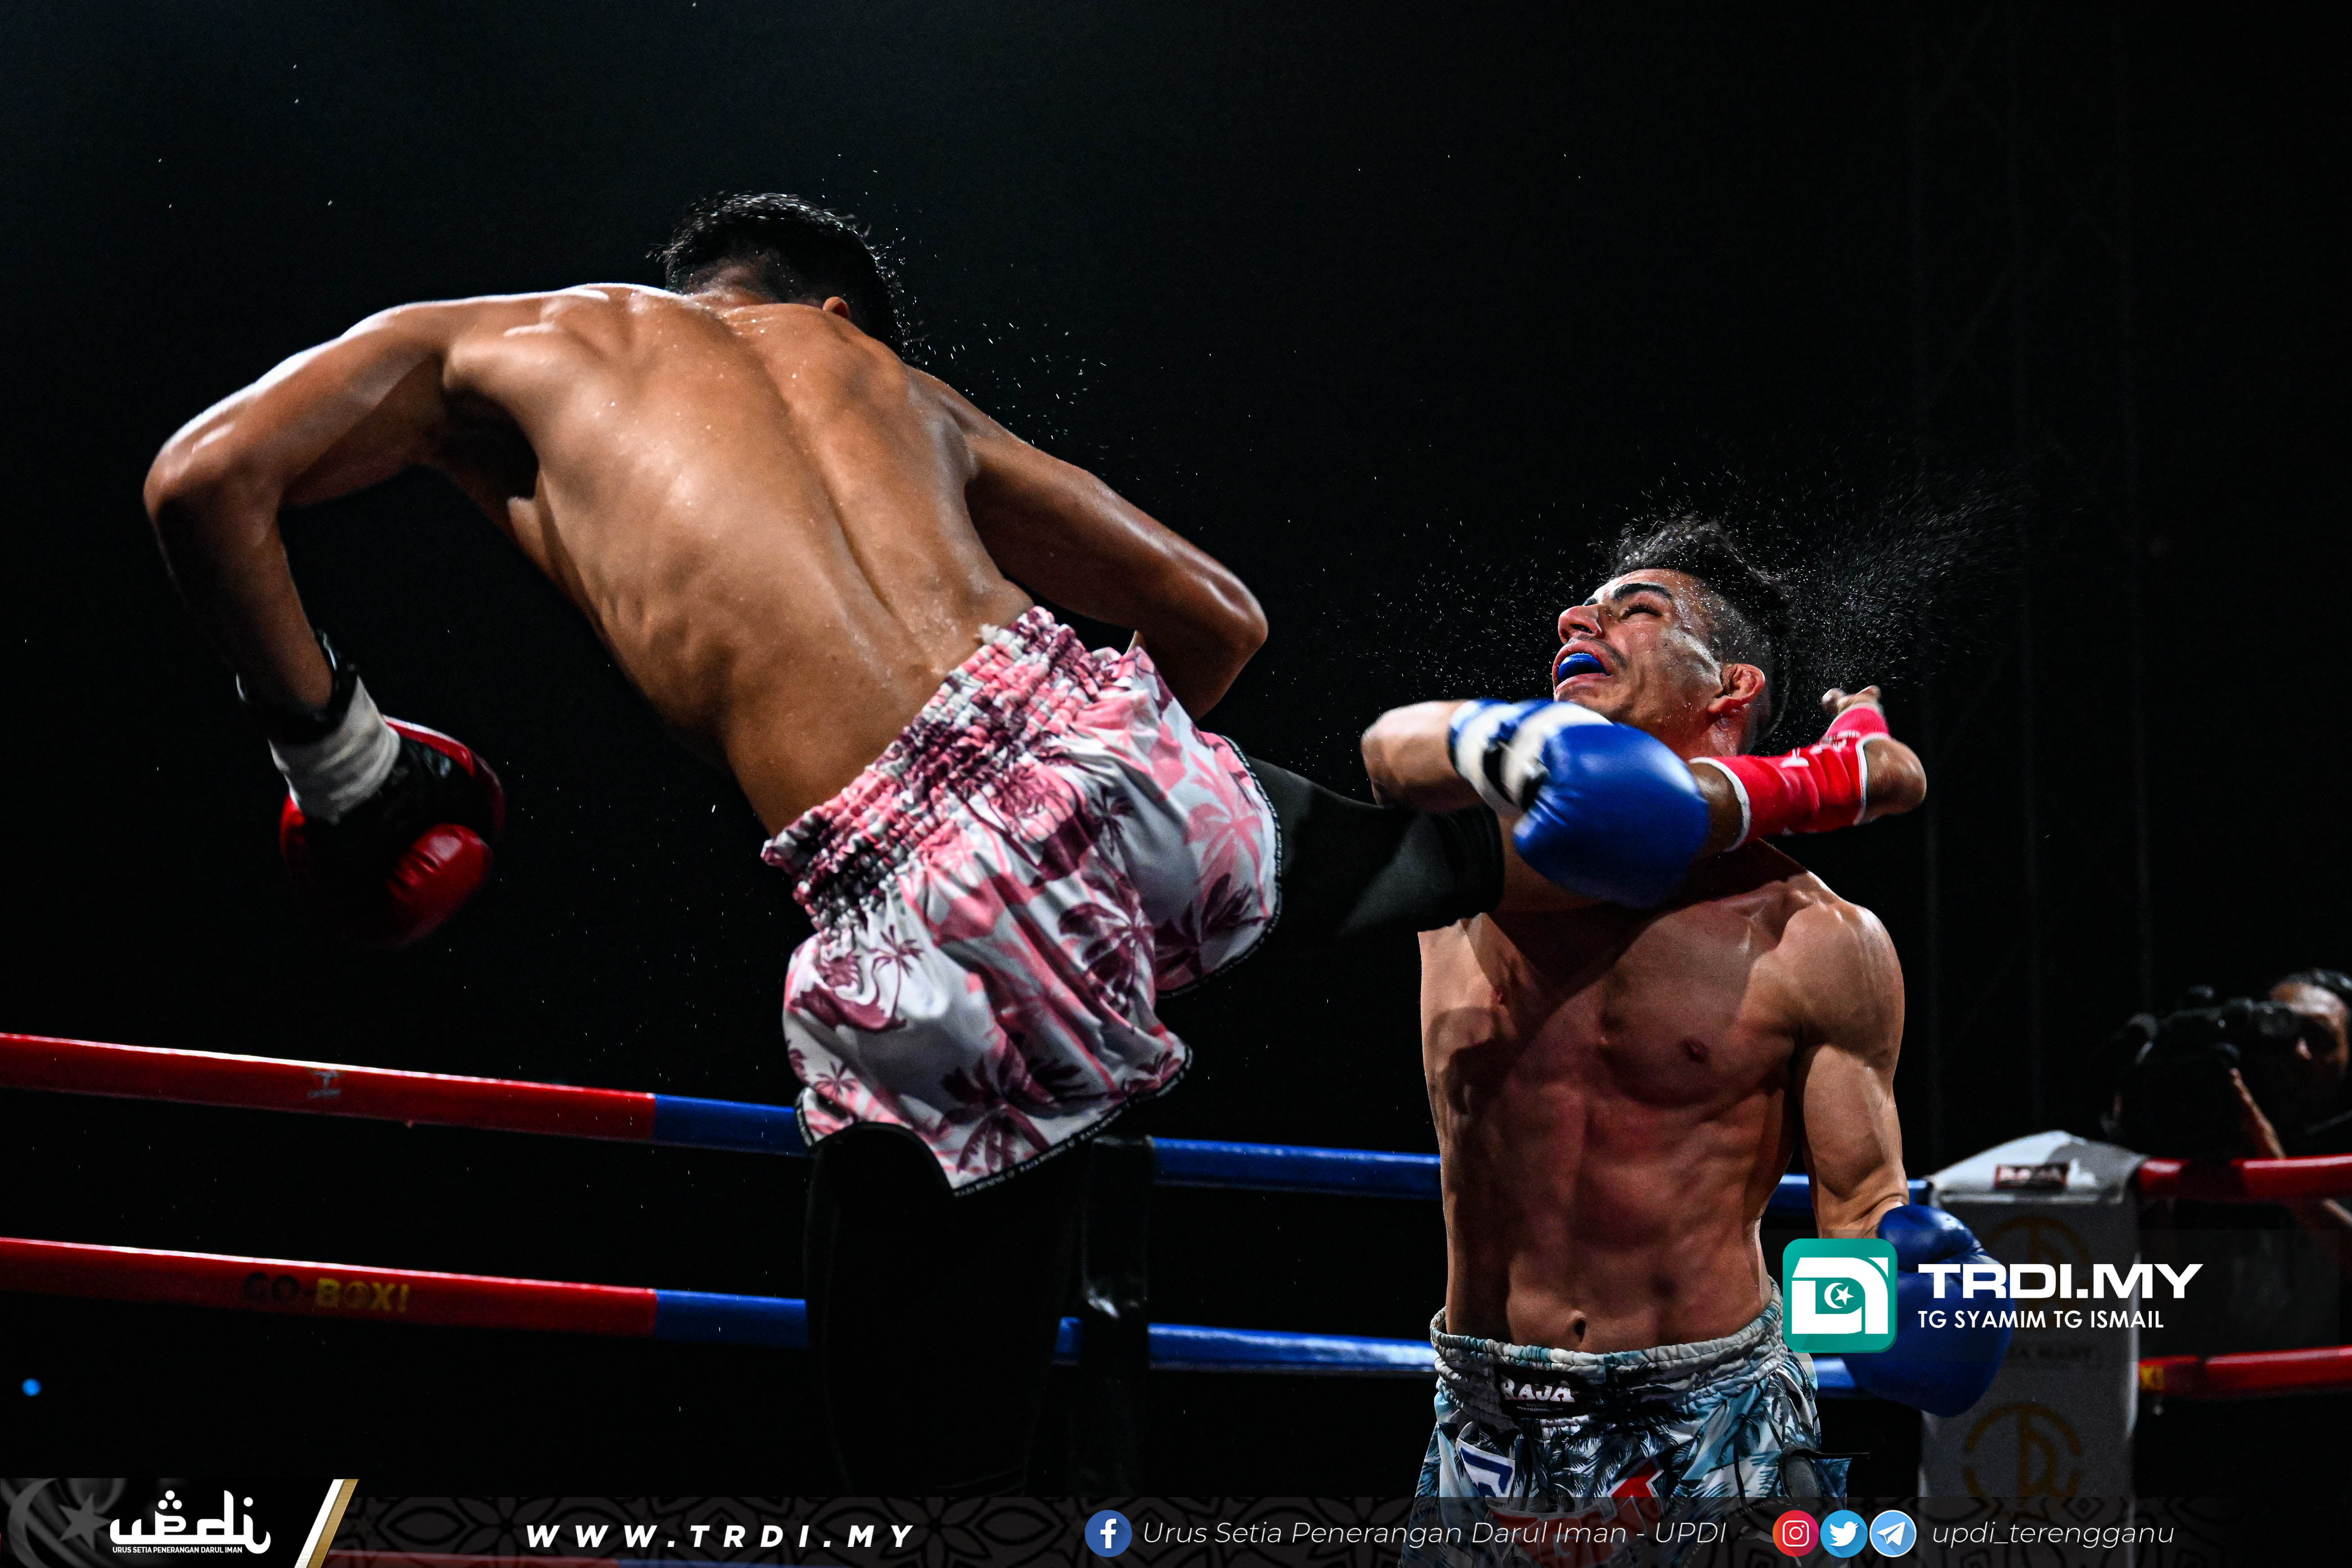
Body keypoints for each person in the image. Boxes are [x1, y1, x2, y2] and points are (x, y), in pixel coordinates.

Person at [143, 195, 1942, 1491]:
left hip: (926, 892)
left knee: (908, 1478)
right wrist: (1079, 834)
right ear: (849, 317)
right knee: (1459, 861)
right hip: (1118, 753)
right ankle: (1825, 777)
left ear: (700, 293)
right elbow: (1216, 620)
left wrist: (348, 763)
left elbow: (197, 481)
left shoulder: (513, 338)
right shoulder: (886, 390)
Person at [1360, 518, 2010, 1502]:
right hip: (1488, 1423)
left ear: (1731, 687)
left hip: (1716, 1420)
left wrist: (1903, 1282)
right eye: (1588, 607)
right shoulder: (1475, 865)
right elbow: (1387, 750)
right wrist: (1823, 778)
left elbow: (1857, 1208)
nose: (1581, 617)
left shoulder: (1818, 937)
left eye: (1640, 610)